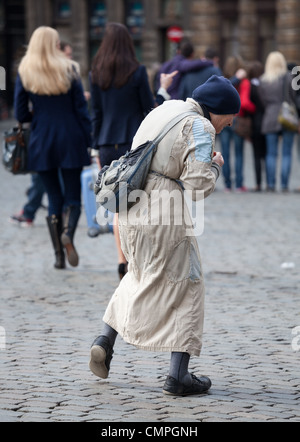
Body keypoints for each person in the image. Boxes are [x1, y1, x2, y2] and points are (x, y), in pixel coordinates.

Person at [89, 75, 241, 396]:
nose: (226, 126)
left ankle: (104, 341)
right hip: (163, 213)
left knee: (138, 273)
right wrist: (214, 166)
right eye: (227, 120)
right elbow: (198, 186)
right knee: (189, 284)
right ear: (216, 110)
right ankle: (178, 377)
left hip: (130, 209)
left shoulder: (165, 108)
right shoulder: (201, 127)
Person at [89, 22, 176, 279]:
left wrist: (94, 149)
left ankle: (121, 260)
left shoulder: (96, 74)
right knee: (137, 206)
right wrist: (163, 89)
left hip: (106, 144)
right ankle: (137, 258)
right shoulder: (137, 72)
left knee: (117, 207)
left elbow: (96, 114)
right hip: (133, 145)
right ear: (128, 44)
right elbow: (150, 111)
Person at [14, 26, 92, 269]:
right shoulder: (69, 69)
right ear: (56, 44)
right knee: (73, 197)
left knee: (53, 196)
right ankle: (68, 232)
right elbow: (81, 109)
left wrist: (38, 114)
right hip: (70, 137)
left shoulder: (25, 71)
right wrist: (89, 140)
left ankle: (58, 255)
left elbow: (20, 113)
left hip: (41, 139)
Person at [259, 51, 299, 192]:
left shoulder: (263, 80)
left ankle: (270, 184)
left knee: (271, 153)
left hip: (270, 116)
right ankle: (284, 185)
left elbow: (262, 101)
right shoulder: (289, 77)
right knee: (287, 153)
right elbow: (294, 97)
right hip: (287, 117)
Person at [220, 55, 255, 192]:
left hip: (223, 119)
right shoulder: (244, 82)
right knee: (239, 153)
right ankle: (239, 183)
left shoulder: (222, 80)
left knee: (225, 153)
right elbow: (245, 102)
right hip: (238, 119)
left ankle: (228, 185)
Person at [248, 61, 266, 191]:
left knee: (256, 156)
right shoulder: (266, 84)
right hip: (267, 121)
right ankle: (270, 182)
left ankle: (258, 183)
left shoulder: (250, 86)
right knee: (268, 154)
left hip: (254, 123)